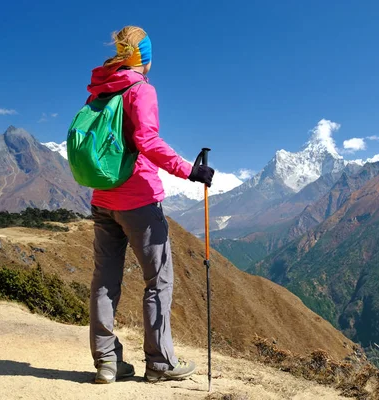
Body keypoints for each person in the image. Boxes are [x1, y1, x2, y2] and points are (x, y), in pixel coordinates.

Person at [86, 26, 214, 384]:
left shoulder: (98, 92)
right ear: (146, 58)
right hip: (138, 199)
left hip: (101, 198)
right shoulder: (140, 90)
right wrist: (190, 170)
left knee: (104, 282)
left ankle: (107, 363)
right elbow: (146, 139)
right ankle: (159, 363)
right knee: (159, 281)